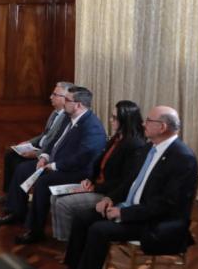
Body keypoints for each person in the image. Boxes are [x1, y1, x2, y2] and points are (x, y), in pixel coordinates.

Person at [48, 106, 198, 269]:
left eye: (148, 120)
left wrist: (124, 213)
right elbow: (129, 181)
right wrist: (110, 198)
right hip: (132, 208)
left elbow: (167, 204)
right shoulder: (149, 147)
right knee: (83, 217)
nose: (143, 124)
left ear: (162, 127)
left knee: (99, 230)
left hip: (155, 222)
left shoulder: (182, 158)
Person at [0, 86, 107, 245]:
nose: (64, 103)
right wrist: (44, 157)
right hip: (55, 162)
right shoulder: (69, 118)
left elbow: (82, 158)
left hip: (77, 171)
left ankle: (35, 230)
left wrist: (54, 166)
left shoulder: (92, 127)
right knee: (23, 169)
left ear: (79, 105)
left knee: (43, 183)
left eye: (67, 100)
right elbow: (53, 141)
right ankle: (16, 211)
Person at [50, 100, 146, 241]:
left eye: (114, 118)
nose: (110, 120)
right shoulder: (117, 138)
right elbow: (99, 164)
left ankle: (68, 243)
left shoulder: (134, 145)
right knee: (54, 197)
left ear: (125, 120)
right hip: (97, 186)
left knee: (63, 204)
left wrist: (96, 187)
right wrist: (89, 180)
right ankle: (62, 239)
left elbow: (126, 181)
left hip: (110, 193)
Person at [0, 81, 73, 199]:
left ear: (65, 98)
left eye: (55, 95)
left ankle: (17, 199)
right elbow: (44, 135)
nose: (50, 97)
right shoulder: (55, 112)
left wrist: (37, 154)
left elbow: (56, 144)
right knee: (10, 156)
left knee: (19, 165)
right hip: (39, 147)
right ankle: (9, 195)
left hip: (46, 153)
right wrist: (29, 142)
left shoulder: (68, 118)